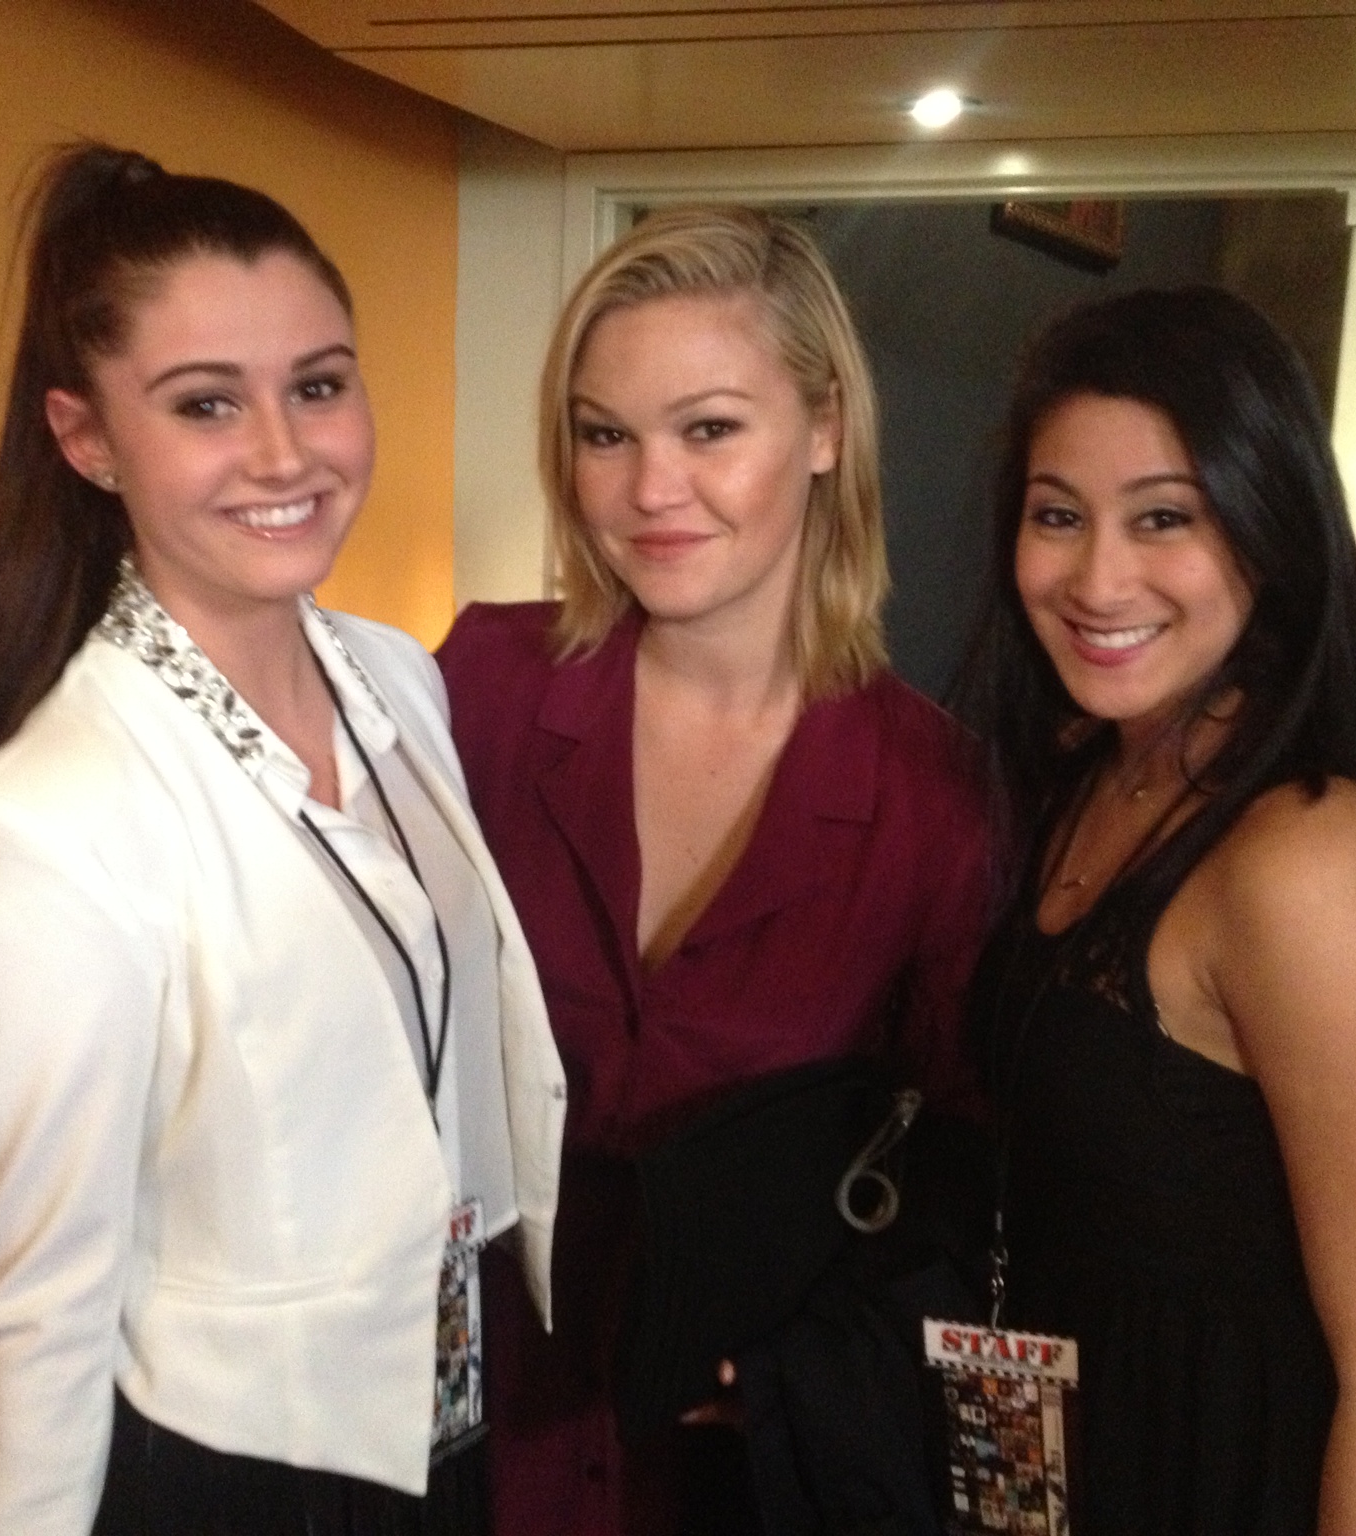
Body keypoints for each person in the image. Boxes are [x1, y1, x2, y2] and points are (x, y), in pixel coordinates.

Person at [0, 142, 565, 1536]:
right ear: (86, 439)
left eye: (319, 386)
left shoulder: (398, 678)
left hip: (437, 1427)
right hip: (236, 1482)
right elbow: (46, 1317)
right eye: (206, 404)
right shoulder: (43, 826)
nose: (285, 453)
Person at [436, 206, 989, 1535]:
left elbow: (972, 1190)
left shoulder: (940, 800)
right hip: (466, 1449)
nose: (648, 489)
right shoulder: (477, 689)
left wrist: (831, 1377)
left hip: (735, 1480)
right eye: (604, 432)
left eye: (709, 429)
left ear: (824, 431)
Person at [957, 285, 1356, 1535]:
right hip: (1109, 1455)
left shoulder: (1304, 863)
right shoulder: (1095, 770)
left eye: (1166, 518)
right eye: (1058, 516)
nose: (1097, 577)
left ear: (1268, 534)